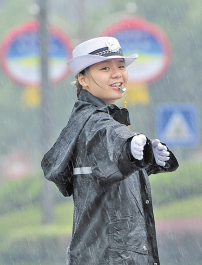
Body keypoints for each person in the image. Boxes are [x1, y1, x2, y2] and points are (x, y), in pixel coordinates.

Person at [41, 36, 179, 265]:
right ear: (83, 80)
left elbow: (107, 165)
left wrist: (147, 158)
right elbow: (112, 141)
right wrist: (129, 149)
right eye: (105, 68)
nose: (117, 74)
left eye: (121, 66)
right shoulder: (95, 123)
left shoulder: (93, 121)